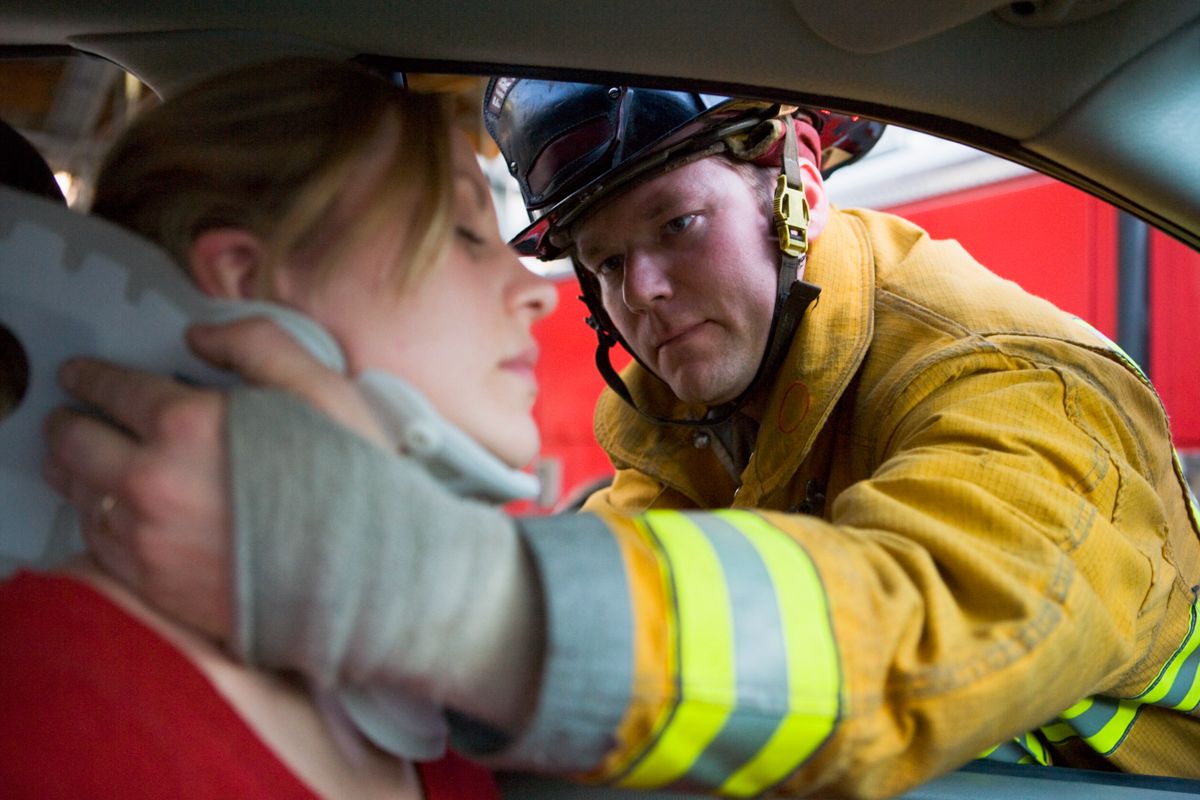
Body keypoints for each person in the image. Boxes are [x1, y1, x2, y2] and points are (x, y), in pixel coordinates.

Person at [40, 77, 1200, 800]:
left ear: (795, 177)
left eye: (677, 224)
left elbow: (917, 622)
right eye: (599, 258)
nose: (632, 289)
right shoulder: (697, 420)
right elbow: (645, 567)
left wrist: (425, 584)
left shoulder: (1006, 379)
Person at [3, 57, 562, 798]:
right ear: (245, 281)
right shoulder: (50, 691)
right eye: (464, 231)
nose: (536, 292)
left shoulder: (419, 710)